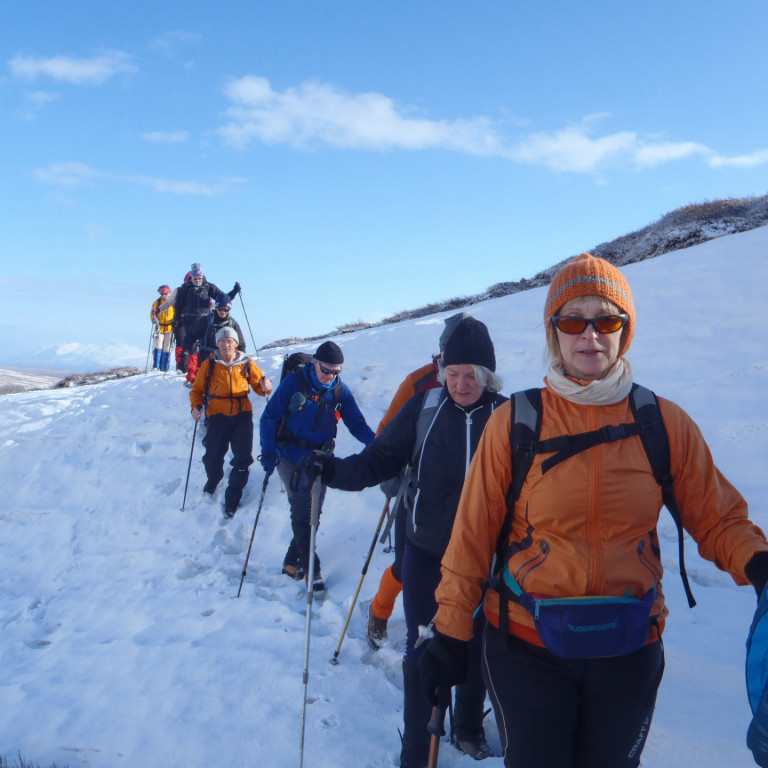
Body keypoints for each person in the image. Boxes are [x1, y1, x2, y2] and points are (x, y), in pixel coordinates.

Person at [418, 253, 768, 768]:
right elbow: (472, 536)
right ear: (553, 331)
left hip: (628, 645)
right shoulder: (516, 422)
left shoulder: (661, 422)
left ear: (624, 330)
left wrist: (759, 565)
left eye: (606, 320)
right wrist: (450, 629)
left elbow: (717, 518)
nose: (590, 335)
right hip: (526, 646)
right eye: (572, 320)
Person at [297, 316, 505, 766]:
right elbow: (380, 460)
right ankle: (416, 752)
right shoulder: (425, 407)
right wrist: (332, 470)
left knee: (478, 651)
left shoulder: (507, 417)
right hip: (428, 552)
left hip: (489, 562)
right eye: (452, 374)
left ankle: (467, 730)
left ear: (488, 375)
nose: (461, 384)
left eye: (472, 375)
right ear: (442, 370)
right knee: (424, 653)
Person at [366, 311, 470, 650]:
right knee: (405, 566)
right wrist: (393, 473)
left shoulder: (478, 384)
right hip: (416, 492)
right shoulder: (419, 382)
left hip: (462, 498)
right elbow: (385, 434)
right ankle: (379, 611)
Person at [259, 341, 375, 591]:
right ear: (315, 363)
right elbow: (268, 418)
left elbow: (356, 424)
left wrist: (378, 445)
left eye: (336, 371)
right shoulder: (294, 382)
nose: (331, 375)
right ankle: (313, 569)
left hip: (319, 457)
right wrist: (268, 452)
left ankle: (292, 563)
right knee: (302, 506)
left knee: (313, 514)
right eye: (327, 370)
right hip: (288, 454)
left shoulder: (339, 390)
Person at [189, 327, 271, 518]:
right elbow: (197, 390)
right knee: (212, 455)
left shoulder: (246, 363)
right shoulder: (209, 364)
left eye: (229, 341)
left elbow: (261, 388)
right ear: (217, 344)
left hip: (242, 414)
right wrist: (196, 406)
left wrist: (265, 386)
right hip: (217, 413)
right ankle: (214, 477)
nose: (226, 345)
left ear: (236, 344)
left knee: (242, 459)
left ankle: (232, 499)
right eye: (222, 341)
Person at [158, 263, 240, 383]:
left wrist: (234, 292)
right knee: (191, 349)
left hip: (205, 321)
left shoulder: (208, 287)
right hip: (189, 322)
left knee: (203, 349)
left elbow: (222, 299)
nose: (197, 281)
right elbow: (179, 306)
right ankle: (191, 378)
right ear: (191, 277)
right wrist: (176, 320)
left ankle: (202, 376)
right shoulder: (185, 289)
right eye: (195, 278)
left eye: (199, 278)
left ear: (202, 276)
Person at [198, 293, 246, 361]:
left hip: (226, 360)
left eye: (226, 310)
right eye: (220, 309)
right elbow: (191, 338)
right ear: (216, 308)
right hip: (207, 359)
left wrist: (242, 361)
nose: (223, 312)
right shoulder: (205, 321)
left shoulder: (233, 324)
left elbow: (241, 345)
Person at [149, 285, 174, 371]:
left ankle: (164, 368)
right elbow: (152, 314)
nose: (164, 295)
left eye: (165, 294)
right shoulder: (156, 303)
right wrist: (153, 320)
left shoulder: (173, 303)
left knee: (168, 348)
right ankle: (156, 366)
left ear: (168, 293)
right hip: (159, 327)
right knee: (158, 346)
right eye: (162, 294)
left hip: (170, 328)